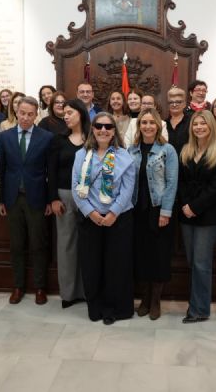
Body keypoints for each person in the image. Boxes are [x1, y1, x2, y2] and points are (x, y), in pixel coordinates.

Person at [72, 112, 136, 325]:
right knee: (92, 265)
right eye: (99, 126)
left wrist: (113, 213)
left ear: (114, 131)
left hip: (118, 219)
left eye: (108, 127)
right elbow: (75, 187)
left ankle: (113, 309)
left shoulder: (124, 157)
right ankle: (95, 307)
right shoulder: (81, 155)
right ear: (92, 128)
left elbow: (128, 189)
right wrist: (90, 213)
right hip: (90, 219)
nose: (103, 130)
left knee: (115, 266)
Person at [0, 96, 54, 305]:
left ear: (36, 115)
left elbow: (51, 172)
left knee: (38, 244)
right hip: (13, 199)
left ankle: (40, 287)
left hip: (37, 199)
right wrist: (0, 200)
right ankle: (18, 286)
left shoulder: (46, 137)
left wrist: (50, 200)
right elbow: (0, 170)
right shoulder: (5, 137)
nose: (26, 118)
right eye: (22, 113)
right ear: (16, 112)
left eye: (30, 114)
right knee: (16, 245)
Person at [178, 110, 216, 323]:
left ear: (211, 126)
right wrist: (185, 206)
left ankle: (199, 310)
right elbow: (180, 182)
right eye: (195, 124)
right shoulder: (186, 150)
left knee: (201, 263)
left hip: (209, 216)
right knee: (192, 262)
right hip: (186, 214)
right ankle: (196, 304)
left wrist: (195, 207)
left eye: (203, 124)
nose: (199, 127)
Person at [128, 108, 178, 320]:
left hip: (158, 210)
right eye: (144, 122)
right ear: (139, 126)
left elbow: (172, 182)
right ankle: (145, 298)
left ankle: (156, 300)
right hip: (137, 210)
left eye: (151, 122)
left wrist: (165, 212)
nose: (147, 126)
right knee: (142, 256)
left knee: (159, 256)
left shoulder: (167, 150)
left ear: (158, 125)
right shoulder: (131, 150)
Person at [48, 99, 90, 308]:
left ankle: (87, 290)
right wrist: (53, 199)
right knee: (66, 246)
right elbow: (51, 171)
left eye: (70, 112)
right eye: (64, 113)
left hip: (90, 198)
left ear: (80, 113)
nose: (65, 116)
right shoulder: (58, 140)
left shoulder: (92, 138)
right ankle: (68, 293)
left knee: (88, 244)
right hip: (64, 196)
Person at [165, 86, 191, 155]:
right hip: (168, 160)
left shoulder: (191, 121)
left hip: (187, 159)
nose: (174, 105)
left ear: (184, 104)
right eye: (171, 102)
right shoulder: (164, 124)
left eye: (178, 102)